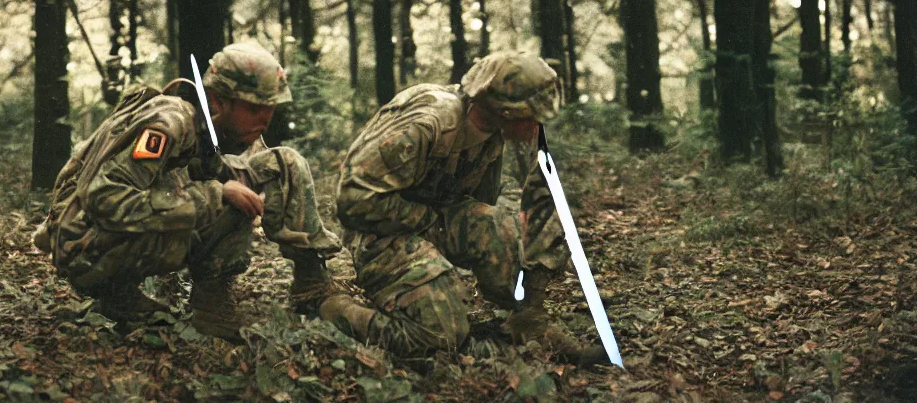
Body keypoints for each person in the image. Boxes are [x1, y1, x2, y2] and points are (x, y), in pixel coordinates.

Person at [32, 42, 342, 341]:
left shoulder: (207, 127)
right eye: (254, 108)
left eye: (270, 108)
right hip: (87, 251)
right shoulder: (169, 123)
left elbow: (207, 172)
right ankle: (186, 301)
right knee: (228, 199)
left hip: (111, 240)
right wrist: (216, 194)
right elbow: (105, 200)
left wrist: (223, 182)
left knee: (283, 162)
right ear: (218, 101)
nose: (265, 120)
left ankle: (311, 285)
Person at [321, 51, 607, 365]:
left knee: (505, 227)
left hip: (429, 223)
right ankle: (336, 309)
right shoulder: (428, 124)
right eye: (533, 115)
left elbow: (483, 209)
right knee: (440, 338)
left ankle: (528, 326)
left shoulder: (491, 132)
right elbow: (352, 200)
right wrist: (429, 225)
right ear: (505, 110)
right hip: (379, 234)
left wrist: (522, 290)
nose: (539, 125)